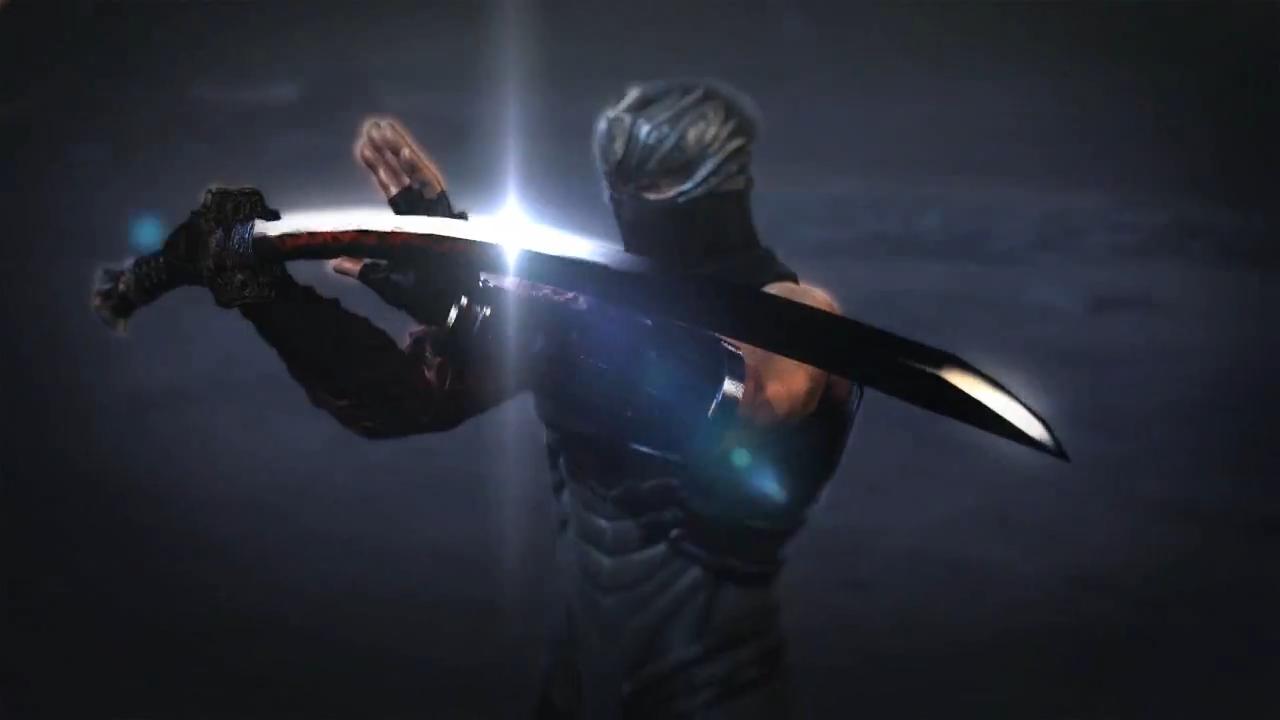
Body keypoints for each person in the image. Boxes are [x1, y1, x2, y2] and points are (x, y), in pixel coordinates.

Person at [154, 79, 860, 718]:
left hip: (715, 692)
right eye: (623, 182)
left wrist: (478, 303)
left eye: (658, 182)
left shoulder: (796, 314)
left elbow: (750, 395)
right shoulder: (592, 310)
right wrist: (271, 298)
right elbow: (402, 400)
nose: (633, 201)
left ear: (721, 187)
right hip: (577, 691)